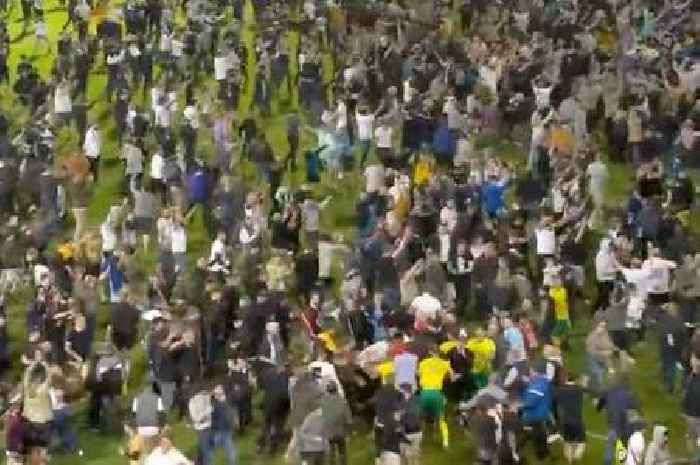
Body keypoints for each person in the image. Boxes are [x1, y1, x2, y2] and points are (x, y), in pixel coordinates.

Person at [417, 347, 453, 449]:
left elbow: (418, 374)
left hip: (424, 393)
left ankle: (418, 441)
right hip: (437, 393)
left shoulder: (423, 363)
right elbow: (452, 376)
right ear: (439, 353)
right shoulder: (444, 363)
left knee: (420, 418)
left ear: (430, 352)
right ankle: (445, 442)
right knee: (441, 419)